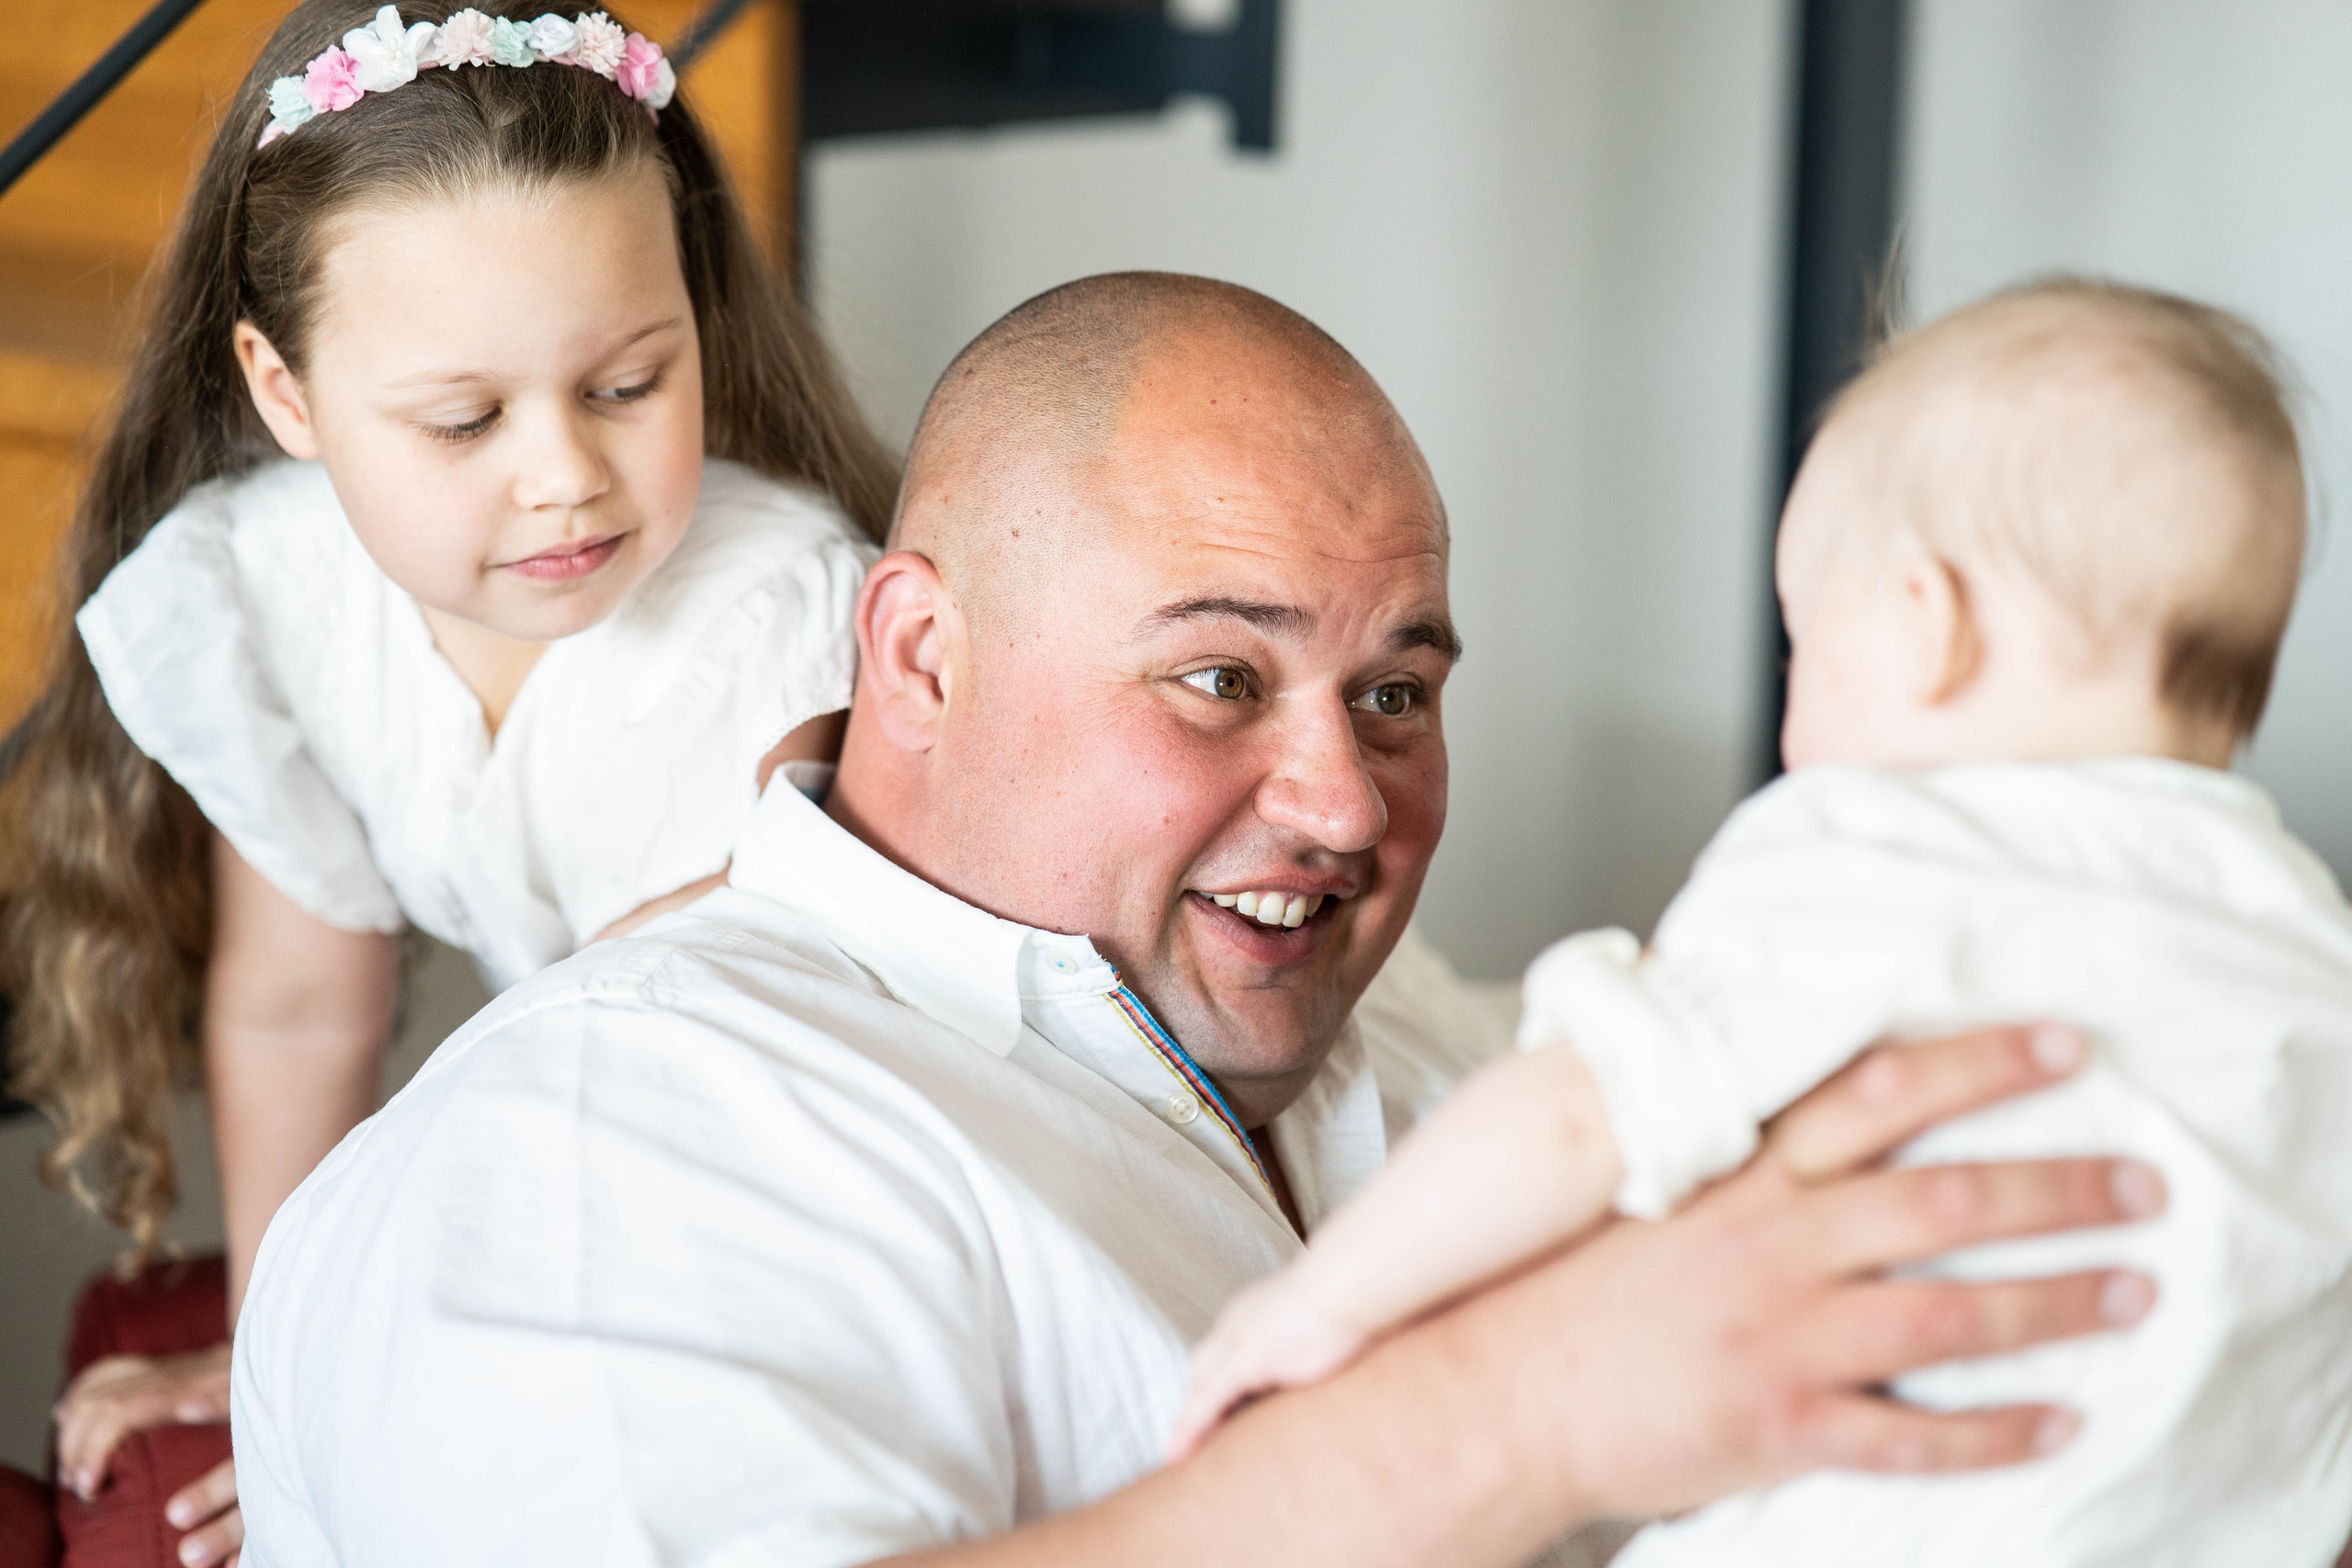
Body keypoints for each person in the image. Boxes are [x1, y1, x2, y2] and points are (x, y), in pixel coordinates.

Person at [229, 273, 2165, 1568]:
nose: (1342, 803)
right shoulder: (614, 1130)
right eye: (1220, 681)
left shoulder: (1454, 1065)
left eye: (1395, 692)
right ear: (917, 651)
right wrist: (1522, 1409)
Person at [1176, 280, 2352, 1564]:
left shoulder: (1881, 858)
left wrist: (1310, 1309)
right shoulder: (2304, 947)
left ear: (1928, 626)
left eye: (1806, 648)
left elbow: (1582, 1111)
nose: (1799, 714)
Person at [0, 3, 894, 1559]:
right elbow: (297, 1006)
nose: (562, 474)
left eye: (628, 383)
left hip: (769, 1159)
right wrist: (282, 1351)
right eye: (463, 419)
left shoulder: (778, 629)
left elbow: (672, 1080)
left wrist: (387, 1365)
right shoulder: (268, 595)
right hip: (587, 1150)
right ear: (286, 396)